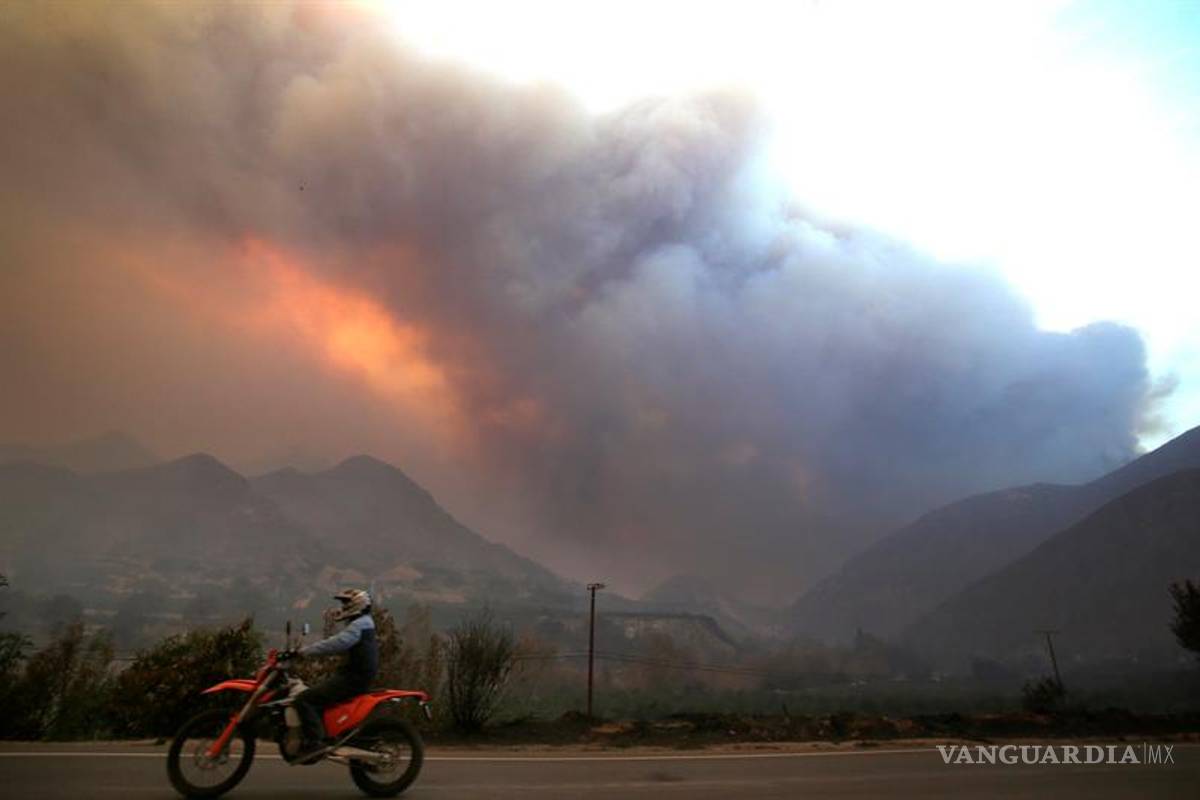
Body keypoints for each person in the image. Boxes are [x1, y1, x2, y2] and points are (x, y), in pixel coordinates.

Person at [289, 587, 379, 761]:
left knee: (304, 700)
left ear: (357, 605)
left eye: (346, 603)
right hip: (354, 676)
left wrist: (305, 652)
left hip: (354, 678)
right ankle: (323, 735)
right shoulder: (363, 623)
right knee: (316, 695)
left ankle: (316, 743)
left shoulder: (360, 625)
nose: (343, 607)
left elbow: (337, 643)